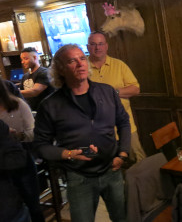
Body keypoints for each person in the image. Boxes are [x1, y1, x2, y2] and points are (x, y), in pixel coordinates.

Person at [33, 44, 131, 222]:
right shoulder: (50, 105)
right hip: (78, 177)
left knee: (122, 218)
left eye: (81, 58)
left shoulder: (107, 92)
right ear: (60, 70)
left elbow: (124, 122)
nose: (80, 64)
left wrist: (123, 154)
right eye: (72, 60)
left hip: (112, 169)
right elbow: (40, 145)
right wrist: (68, 154)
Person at [87, 31, 146, 163]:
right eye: (93, 44)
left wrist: (113, 93)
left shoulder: (119, 65)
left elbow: (135, 89)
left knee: (139, 160)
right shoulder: (82, 68)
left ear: (106, 46)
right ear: (87, 47)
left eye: (101, 44)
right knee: (109, 166)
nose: (97, 48)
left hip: (125, 126)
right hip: (97, 131)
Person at [0, 79, 44, 222]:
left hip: (22, 156)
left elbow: (33, 134)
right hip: (3, 166)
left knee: (32, 203)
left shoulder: (17, 105)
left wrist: (15, 135)